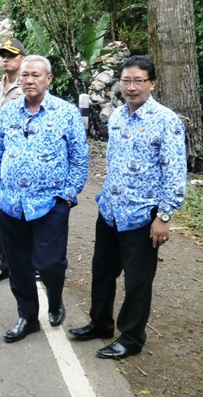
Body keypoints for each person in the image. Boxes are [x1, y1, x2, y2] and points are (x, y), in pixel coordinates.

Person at [69, 55, 187, 358]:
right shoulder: (118, 116)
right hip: (110, 211)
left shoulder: (166, 120)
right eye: (126, 81)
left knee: (137, 282)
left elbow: (174, 172)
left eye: (138, 81)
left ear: (152, 83)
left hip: (142, 217)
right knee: (102, 272)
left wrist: (163, 216)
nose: (131, 87)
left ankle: (131, 338)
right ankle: (100, 323)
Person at [0, 55, 89, 343]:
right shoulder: (8, 113)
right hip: (10, 203)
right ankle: (28, 317)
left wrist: (67, 196)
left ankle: (55, 301)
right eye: (25, 75)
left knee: (49, 264)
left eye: (36, 75)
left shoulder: (65, 113)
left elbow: (80, 160)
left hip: (50, 203)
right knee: (18, 265)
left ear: (49, 80)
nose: (29, 80)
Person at [0, 38, 27, 284]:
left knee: (28, 214)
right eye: (2, 55)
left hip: (26, 160)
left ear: (22, 57)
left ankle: (32, 264)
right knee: (1, 213)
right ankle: (5, 265)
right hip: (2, 160)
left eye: (10, 55)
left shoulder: (30, 85)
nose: (5, 59)